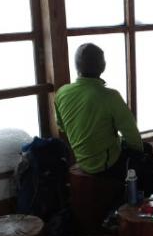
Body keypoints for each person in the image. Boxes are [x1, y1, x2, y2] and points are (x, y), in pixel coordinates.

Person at [55, 43, 144, 182]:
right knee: (145, 154)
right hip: (105, 164)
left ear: (76, 66)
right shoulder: (110, 96)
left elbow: (61, 127)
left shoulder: (62, 93)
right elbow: (133, 136)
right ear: (103, 66)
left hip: (81, 160)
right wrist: (140, 153)